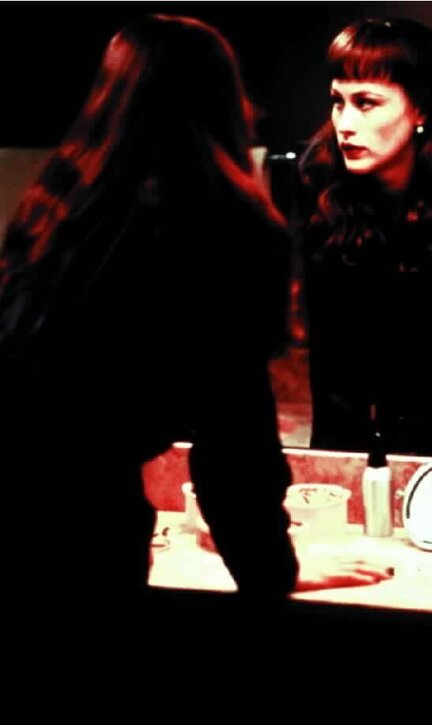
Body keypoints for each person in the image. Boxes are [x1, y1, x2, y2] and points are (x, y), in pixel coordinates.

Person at [0, 14, 392, 624]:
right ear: (224, 104)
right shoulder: (224, 226)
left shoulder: (57, 205)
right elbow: (234, 442)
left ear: (110, 96)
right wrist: (273, 570)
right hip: (83, 536)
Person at [299, 18, 432, 455]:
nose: (345, 123)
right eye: (338, 102)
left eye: (366, 103)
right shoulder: (326, 193)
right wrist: (333, 469)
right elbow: (331, 374)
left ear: (421, 109)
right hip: (367, 448)